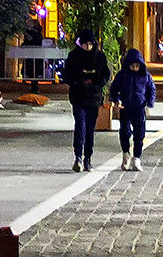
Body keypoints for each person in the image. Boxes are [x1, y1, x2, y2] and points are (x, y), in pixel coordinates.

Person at [59, 33, 110, 171]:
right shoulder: (73, 57)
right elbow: (66, 75)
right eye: (85, 44)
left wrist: (98, 84)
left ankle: (88, 157)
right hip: (78, 97)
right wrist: (77, 82)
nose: (87, 47)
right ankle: (78, 157)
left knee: (90, 129)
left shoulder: (99, 57)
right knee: (80, 126)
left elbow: (106, 74)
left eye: (90, 44)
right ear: (80, 44)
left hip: (94, 98)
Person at [110, 47, 155, 171]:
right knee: (124, 132)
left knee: (139, 134)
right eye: (132, 66)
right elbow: (114, 89)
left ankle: (137, 158)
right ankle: (125, 154)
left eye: (137, 66)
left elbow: (151, 89)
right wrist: (116, 99)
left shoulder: (145, 76)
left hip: (139, 108)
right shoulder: (122, 75)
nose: (135, 68)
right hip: (125, 107)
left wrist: (149, 103)